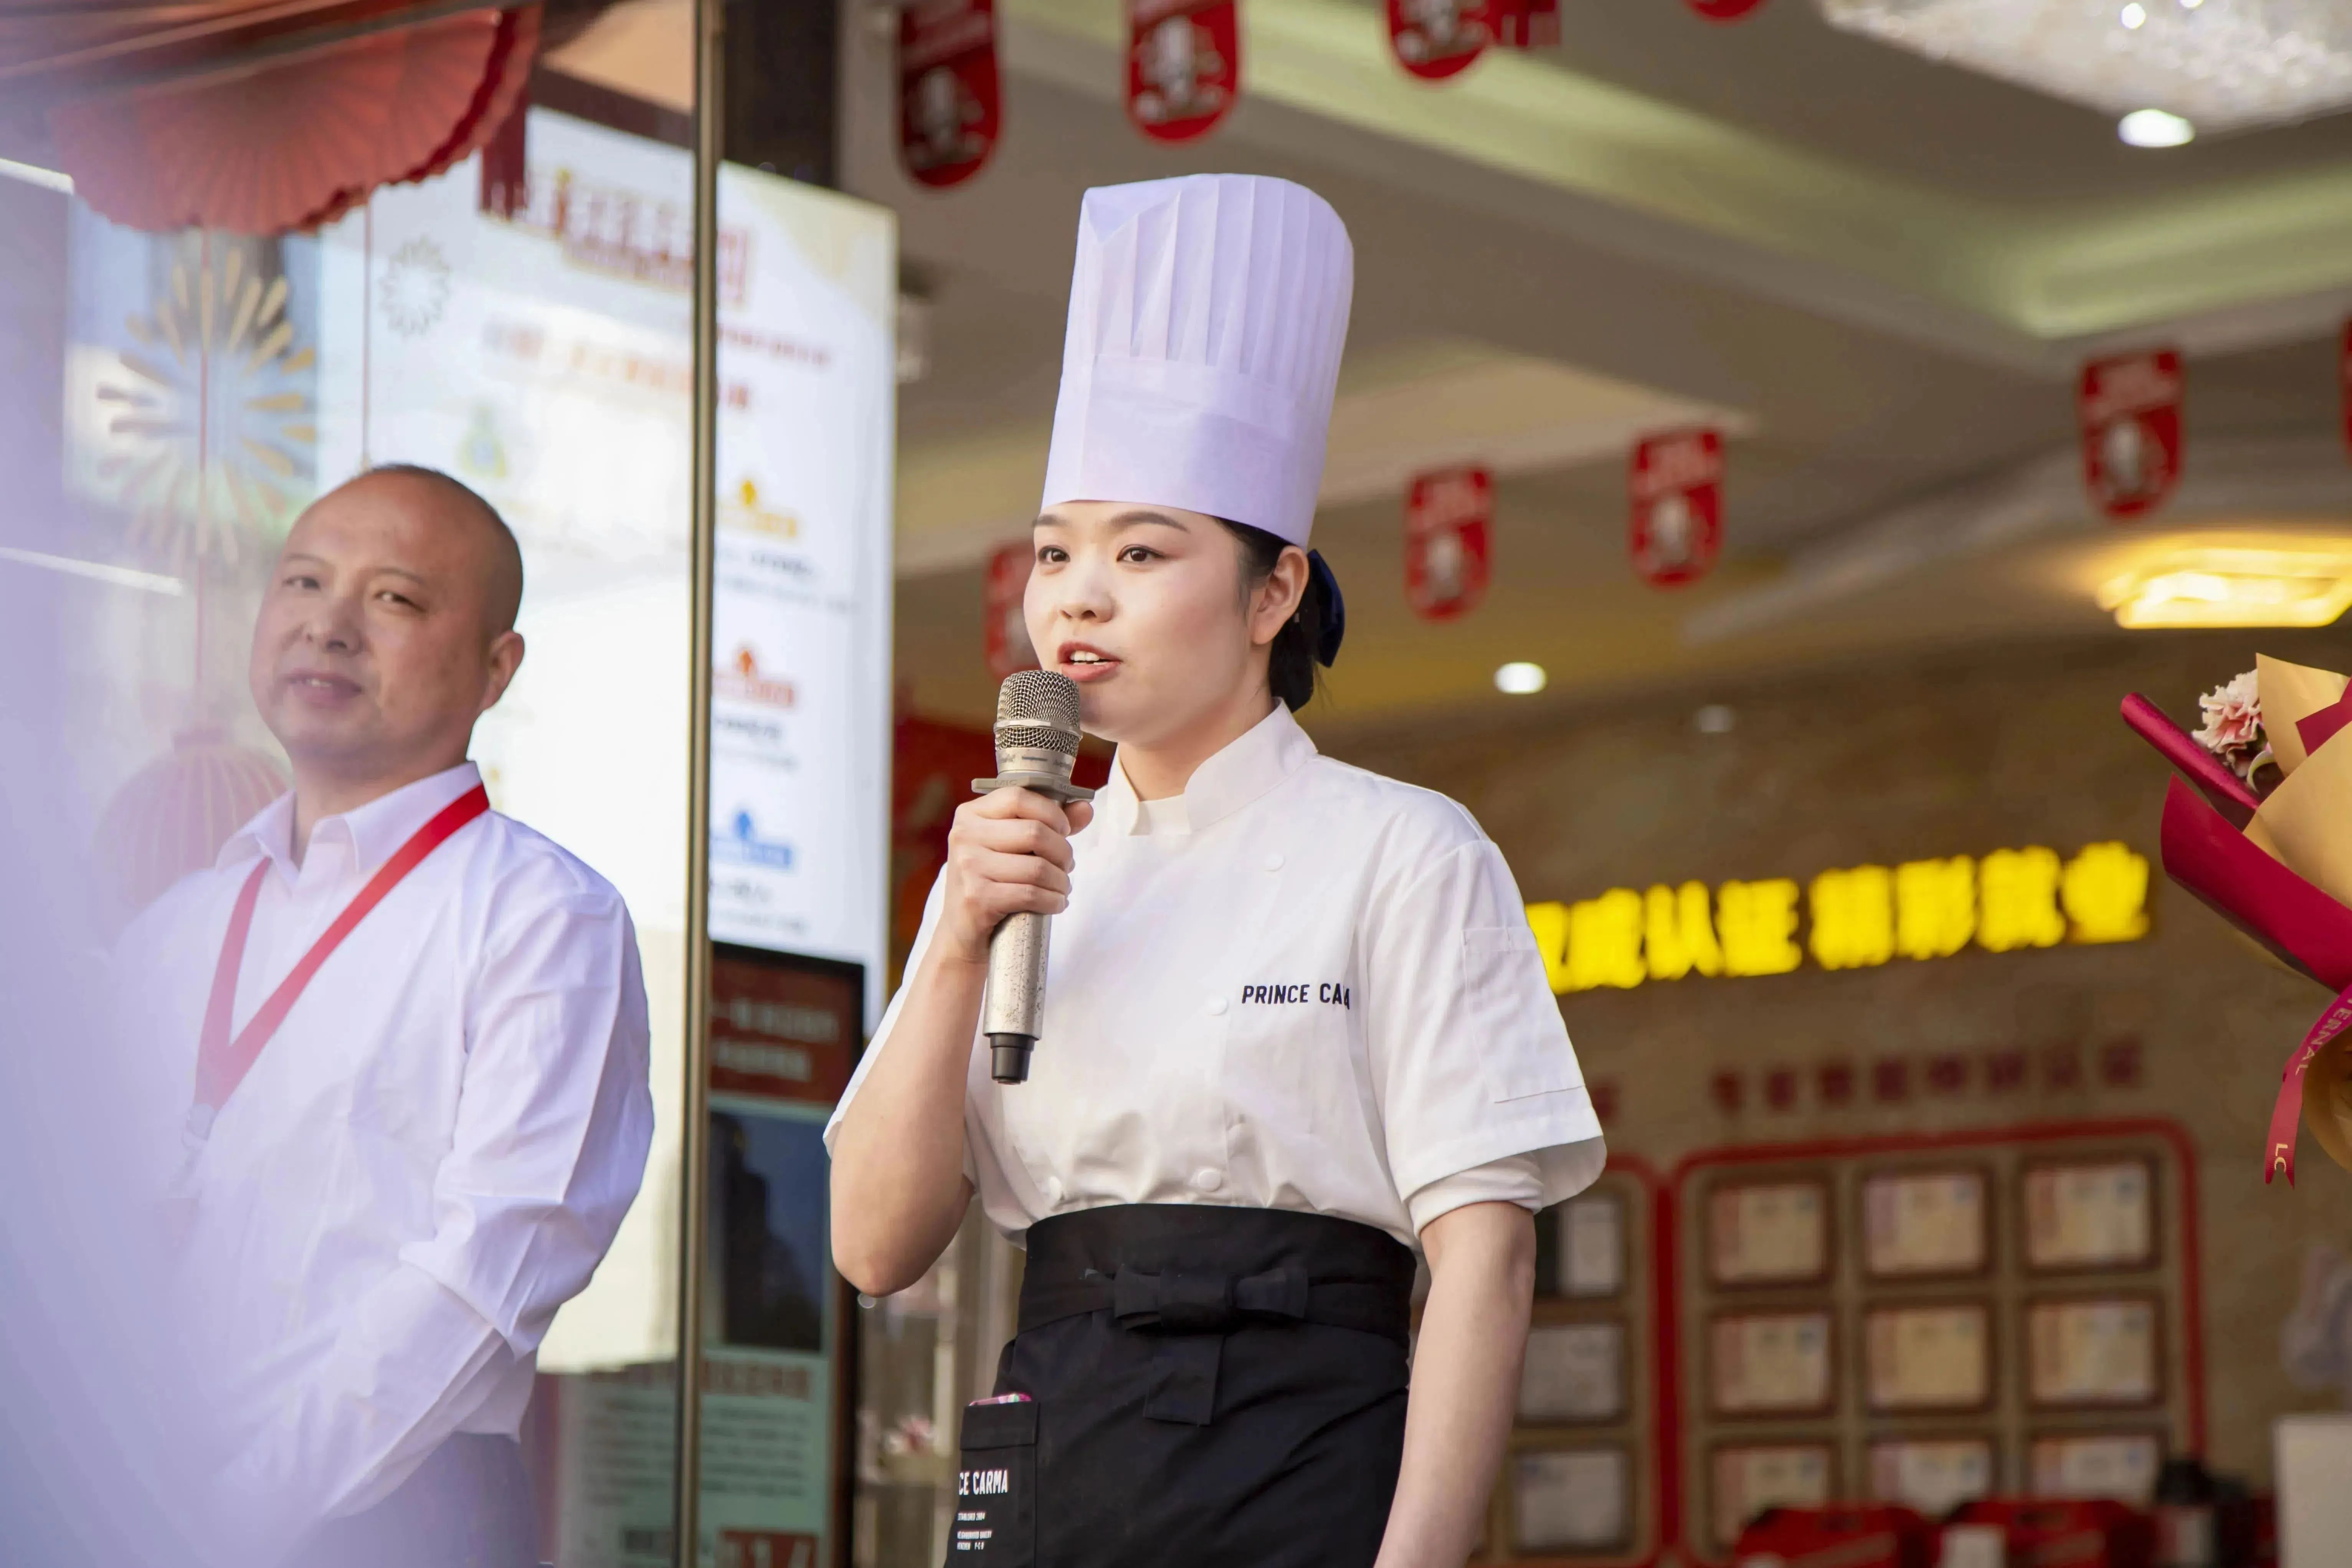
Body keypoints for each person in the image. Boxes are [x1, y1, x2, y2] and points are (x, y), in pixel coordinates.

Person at [827, 174, 1603, 1568]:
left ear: (1273, 594)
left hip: (1304, 1445)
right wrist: (954, 937)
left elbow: (1485, 1256)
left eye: (1142, 552)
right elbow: (876, 1249)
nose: (1079, 594)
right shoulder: (1017, 864)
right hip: (1056, 1441)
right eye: (1056, 553)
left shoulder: (1401, 847)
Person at [113, 464, 655, 1568]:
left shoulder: (546, 919)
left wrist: (233, 1515)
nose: (330, 625)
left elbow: (485, 1275)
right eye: (303, 583)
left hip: (391, 1515)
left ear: (497, 666)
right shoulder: (173, 930)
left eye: (394, 599)